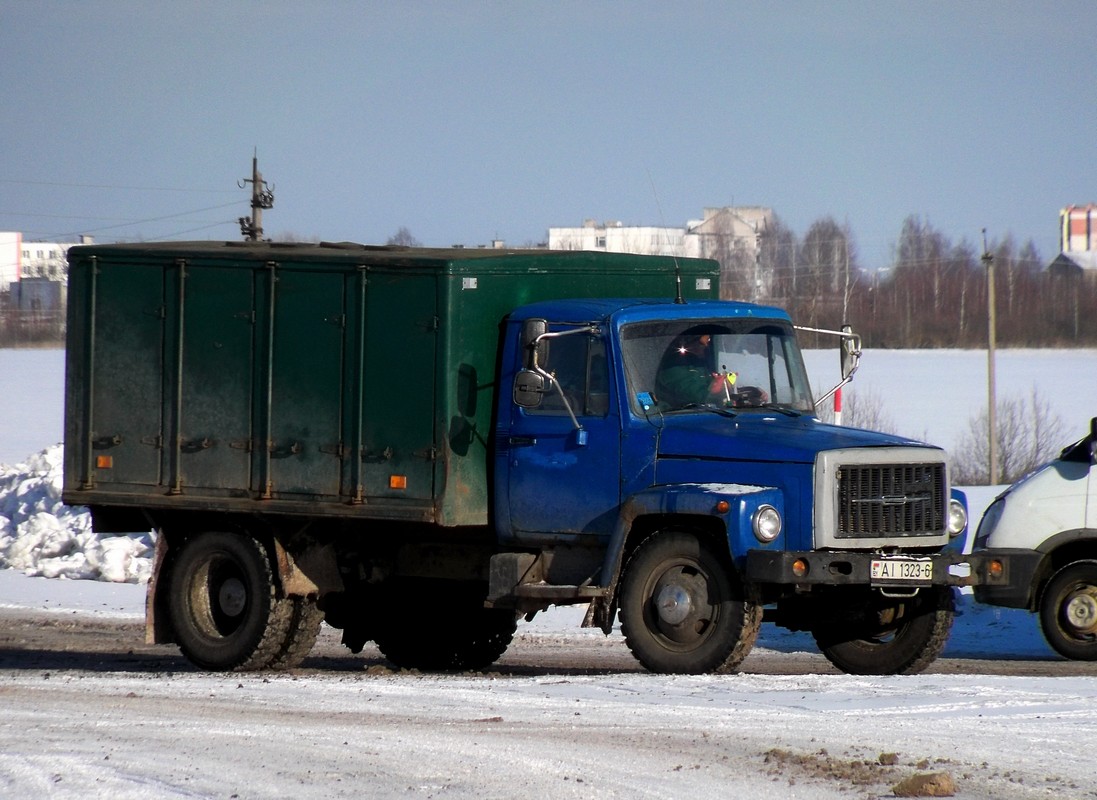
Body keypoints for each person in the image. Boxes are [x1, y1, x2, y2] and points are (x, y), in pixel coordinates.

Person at [655, 333, 732, 407]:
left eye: (709, 341)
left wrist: (726, 386)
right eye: (701, 343)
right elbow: (696, 396)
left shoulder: (702, 364)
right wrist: (714, 391)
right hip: (681, 415)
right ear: (688, 344)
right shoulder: (673, 369)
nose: (706, 346)